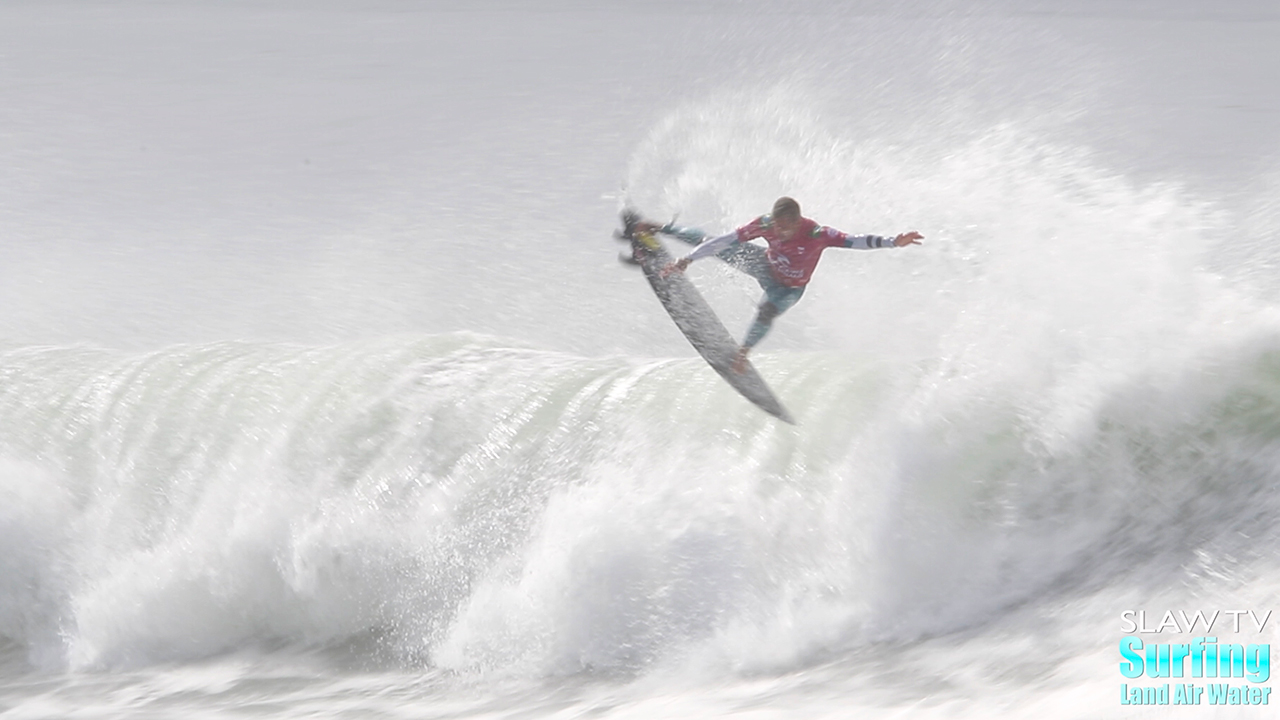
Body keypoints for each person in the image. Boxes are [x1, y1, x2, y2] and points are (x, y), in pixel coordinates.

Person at [635, 197, 922, 373]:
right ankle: (659, 227)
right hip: (764, 265)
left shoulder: (817, 233)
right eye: (778, 226)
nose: (781, 232)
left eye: (787, 227)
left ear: (798, 221)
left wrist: (893, 242)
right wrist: (687, 260)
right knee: (708, 242)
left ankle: (743, 353)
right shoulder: (765, 224)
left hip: (788, 289)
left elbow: (855, 241)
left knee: (768, 310)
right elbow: (725, 240)